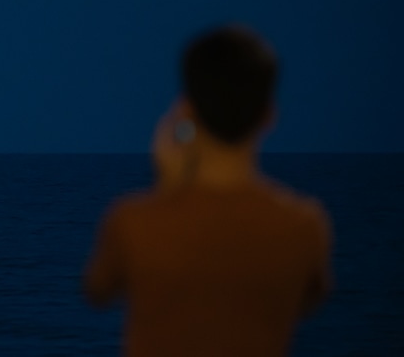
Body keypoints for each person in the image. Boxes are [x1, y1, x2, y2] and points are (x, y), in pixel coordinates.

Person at [83, 24, 333, 357]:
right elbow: (311, 297)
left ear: (186, 111)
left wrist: (167, 190)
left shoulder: (132, 222)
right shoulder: (304, 225)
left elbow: (98, 291)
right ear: (268, 116)